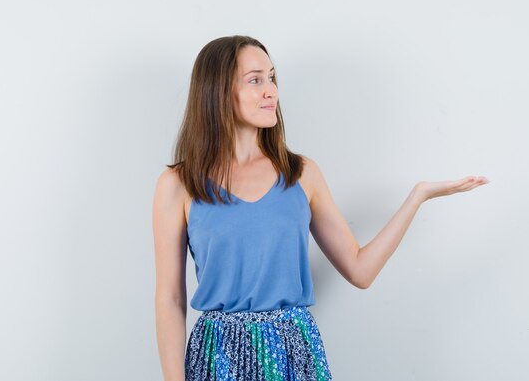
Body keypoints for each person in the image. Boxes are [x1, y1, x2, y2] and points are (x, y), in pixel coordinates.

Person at [152, 35, 489, 381]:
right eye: (255, 80)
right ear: (217, 90)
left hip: (293, 353)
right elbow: (170, 300)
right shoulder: (178, 184)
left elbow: (360, 270)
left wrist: (417, 196)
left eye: (272, 78)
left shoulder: (301, 174)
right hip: (216, 356)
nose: (271, 91)